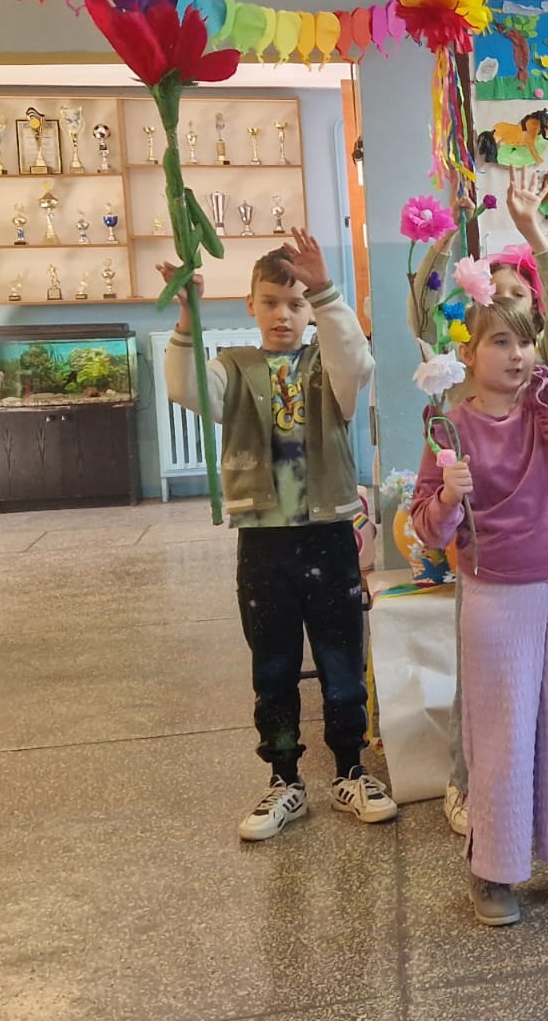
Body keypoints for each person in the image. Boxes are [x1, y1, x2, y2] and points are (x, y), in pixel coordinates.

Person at [411, 231, 548, 927]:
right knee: (502, 736)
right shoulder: (449, 428)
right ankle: (494, 870)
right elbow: (427, 531)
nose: (518, 354)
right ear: (469, 353)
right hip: (496, 597)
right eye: (501, 341)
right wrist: (448, 498)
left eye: (525, 341)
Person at [160, 231, 389, 841]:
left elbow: (357, 364)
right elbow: (186, 388)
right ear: (251, 305)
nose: (283, 315)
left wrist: (328, 292)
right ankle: (284, 778)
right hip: (264, 540)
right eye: (270, 302)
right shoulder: (233, 368)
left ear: (311, 309)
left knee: (342, 659)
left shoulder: (328, 367)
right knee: (274, 663)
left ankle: (349, 768)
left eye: (295, 303)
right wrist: (187, 319)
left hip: (329, 534)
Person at [441, 166, 548, 839]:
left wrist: (537, 236)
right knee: (485, 686)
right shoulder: (460, 393)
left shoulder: (545, 378)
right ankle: (469, 785)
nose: (503, 306)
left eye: (517, 300)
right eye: (491, 299)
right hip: (486, 559)